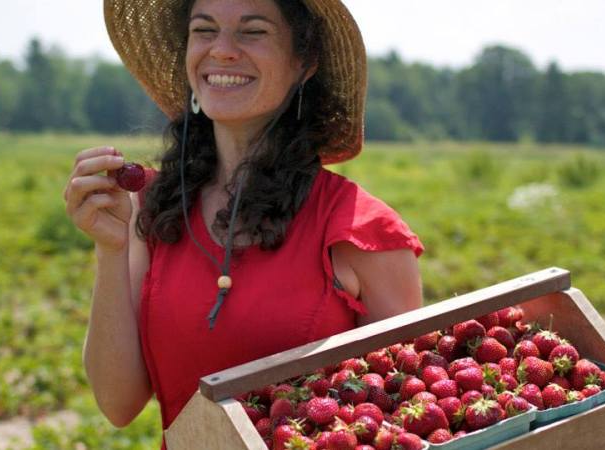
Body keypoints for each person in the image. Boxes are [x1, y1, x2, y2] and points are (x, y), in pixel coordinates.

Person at [63, 0, 424, 444]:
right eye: (204, 30)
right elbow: (118, 404)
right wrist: (111, 250)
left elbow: (410, 412)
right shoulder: (153, 208)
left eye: (253, 32)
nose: (223, 50)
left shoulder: (361, 231)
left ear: (304, 62)